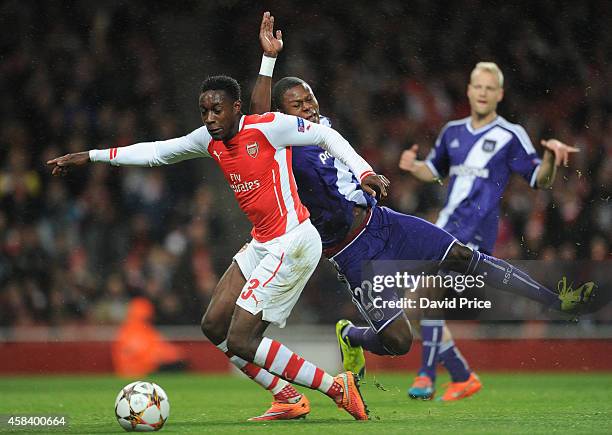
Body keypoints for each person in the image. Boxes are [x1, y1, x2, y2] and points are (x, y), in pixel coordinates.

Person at [199, 12, 596, 421]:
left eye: (310, 100)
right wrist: (268, 61)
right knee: (399, 341)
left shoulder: (323, 129)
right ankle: (350, 335)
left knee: (461, 256)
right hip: (351, 253)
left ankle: (553, 300)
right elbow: (259, 117)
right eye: (297, 105)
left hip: (384, 223)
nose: (308, 109)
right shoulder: (278, 145)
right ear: (281, 116)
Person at [48, 71, 390, 420]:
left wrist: (364, 173)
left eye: (217, 110)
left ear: (236, 108)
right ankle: (285, 395)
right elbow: (156, 152)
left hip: (294, 241)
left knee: (242, 340)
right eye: (204, 111)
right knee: (213, 326)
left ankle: (336, 388)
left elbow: (328, 136)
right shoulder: (207, 139)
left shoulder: (269, 127)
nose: (210, 119)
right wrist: (90, 156)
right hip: (262, 242)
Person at [398, 62, 581, 401]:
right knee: (420, 302)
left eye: (489, 88)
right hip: (444, 228)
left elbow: (539, 179)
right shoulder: (452, 132)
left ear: (499, 94)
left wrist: (552, 158)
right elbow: (435, 171)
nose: (482, 93)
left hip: (475, 234)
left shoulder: (509, 136)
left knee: (419, 297)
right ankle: (459, 375)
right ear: (468, 90)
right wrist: (414, 167)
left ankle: (428, 375)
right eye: (477, 86)